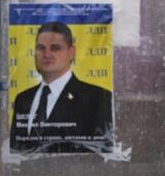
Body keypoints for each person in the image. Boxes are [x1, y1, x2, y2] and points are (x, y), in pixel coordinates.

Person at [10, 21, 113, 153]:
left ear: (71, 52)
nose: (46, 54)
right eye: (41, 48)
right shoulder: (22, 99)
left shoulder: (98, 98)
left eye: (55, 48)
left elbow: (102, 153)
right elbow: (16, 150)